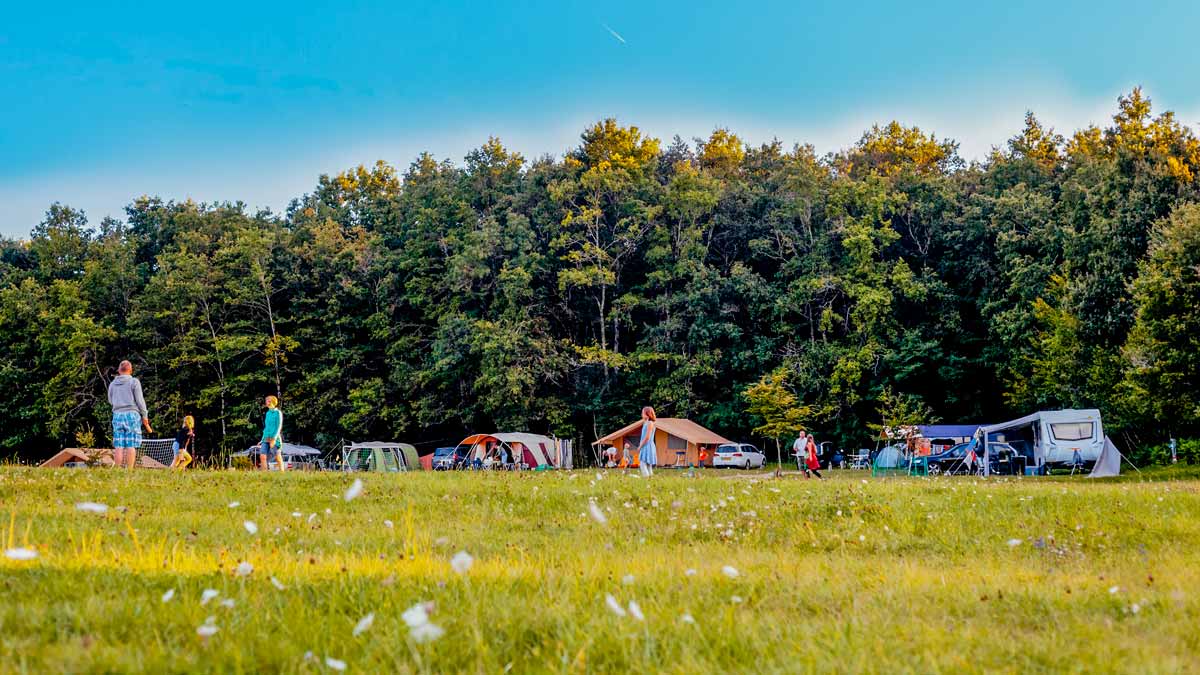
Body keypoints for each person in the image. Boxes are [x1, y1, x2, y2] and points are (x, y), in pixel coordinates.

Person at [107, 360, 153, 469]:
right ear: (131, 370)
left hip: (117, 415)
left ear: (119, 370)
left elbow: (110, 400)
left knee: (119, 445)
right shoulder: (134, 382)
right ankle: (129, 470)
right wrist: (144, 415)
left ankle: (118, 470)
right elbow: (140, 401)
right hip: (132, 415)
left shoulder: (113, 384)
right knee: (130, 444)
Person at [258, 395, 285, 471]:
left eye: (267, 401)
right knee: (262, 456)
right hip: (266, 437)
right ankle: (265, 473)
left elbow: (279, 426)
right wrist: (262, 439)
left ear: (271, 402)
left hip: (274, 438)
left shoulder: (278, 413)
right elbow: (266, 427)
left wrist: (274, 438)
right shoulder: (267, 413)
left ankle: (282, 472)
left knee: (277, 456)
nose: (266, 402)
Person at [636, 406, 657, 477]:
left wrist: (640, 446)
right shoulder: (645, 423)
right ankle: (650, 480)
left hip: (647, 445)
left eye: (643, 413)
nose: (642, 414)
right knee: (648, 465)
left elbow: (647, 437)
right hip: (646, 445)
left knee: (643, 464)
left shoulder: (650, 423)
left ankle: (647, 479)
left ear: (647, 414)